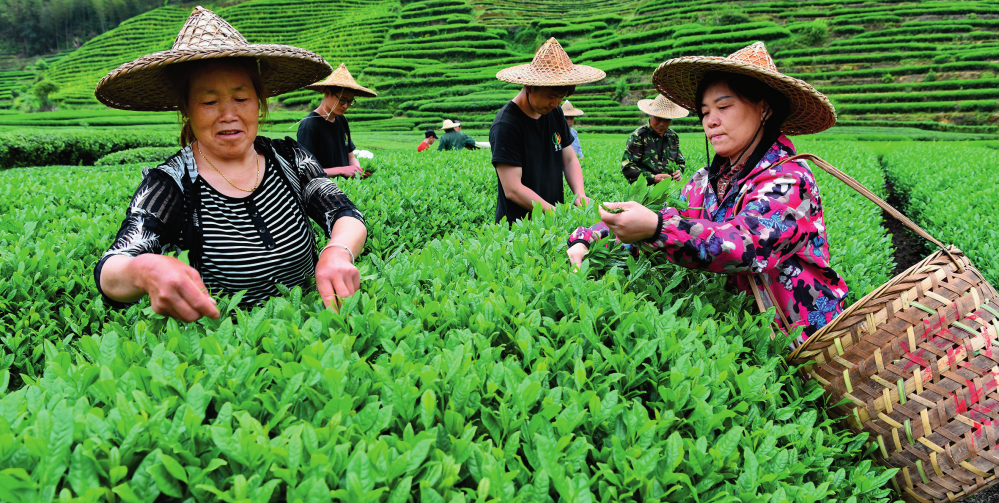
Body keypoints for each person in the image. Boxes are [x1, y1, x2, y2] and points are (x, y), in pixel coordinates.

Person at [93, 7, 367, 321]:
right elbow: (113, 267)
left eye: (241, 98)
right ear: (187, 109)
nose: (228, 115)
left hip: (309, 333)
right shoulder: (172, 182)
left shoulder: (290, 158)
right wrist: (145, 270)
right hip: (226, 341)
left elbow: (343, 212)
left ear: (259, 101)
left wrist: (338, 251)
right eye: (209, 102)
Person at [566, 42, 845, 345]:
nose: (711, 121)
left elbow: (747, 246)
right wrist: (589, 237)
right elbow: (670, 217)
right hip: (742, 335)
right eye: (704, 112)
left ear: (764, 109)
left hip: (802, 341)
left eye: (724, 107)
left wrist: (657, 229)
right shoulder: (705, 181)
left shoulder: (789, 179)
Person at [491, 37, 605, 224]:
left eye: (561, 98)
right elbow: (513, 189)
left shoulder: (554, 112)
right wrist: (556, 213)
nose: (555, 103)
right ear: (530, 87)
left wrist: (580, 193)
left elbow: (569, 159)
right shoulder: (506, 125)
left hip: (552, 223)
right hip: (519, 228)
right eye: (551, 96)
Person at [298, 63, 376, 178]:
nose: (345, 106)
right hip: (324, 187)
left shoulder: (342, 120)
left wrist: (357, 170)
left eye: (350, 102)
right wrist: (342, 170)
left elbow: (350, 157)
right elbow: (305, 171)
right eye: (342, 100)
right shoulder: (309, 125)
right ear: (327, 93)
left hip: (345, 186)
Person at [622, 94, 687, 185]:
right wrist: (653, 178)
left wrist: (679, 172)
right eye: (658, 118)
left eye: (666, 119)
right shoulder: (639, 136)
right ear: (650, 115)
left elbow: (680, 162)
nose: (662, 124)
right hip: (645, 189)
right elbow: (627, 167)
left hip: (669, 188)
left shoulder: (672, 136)